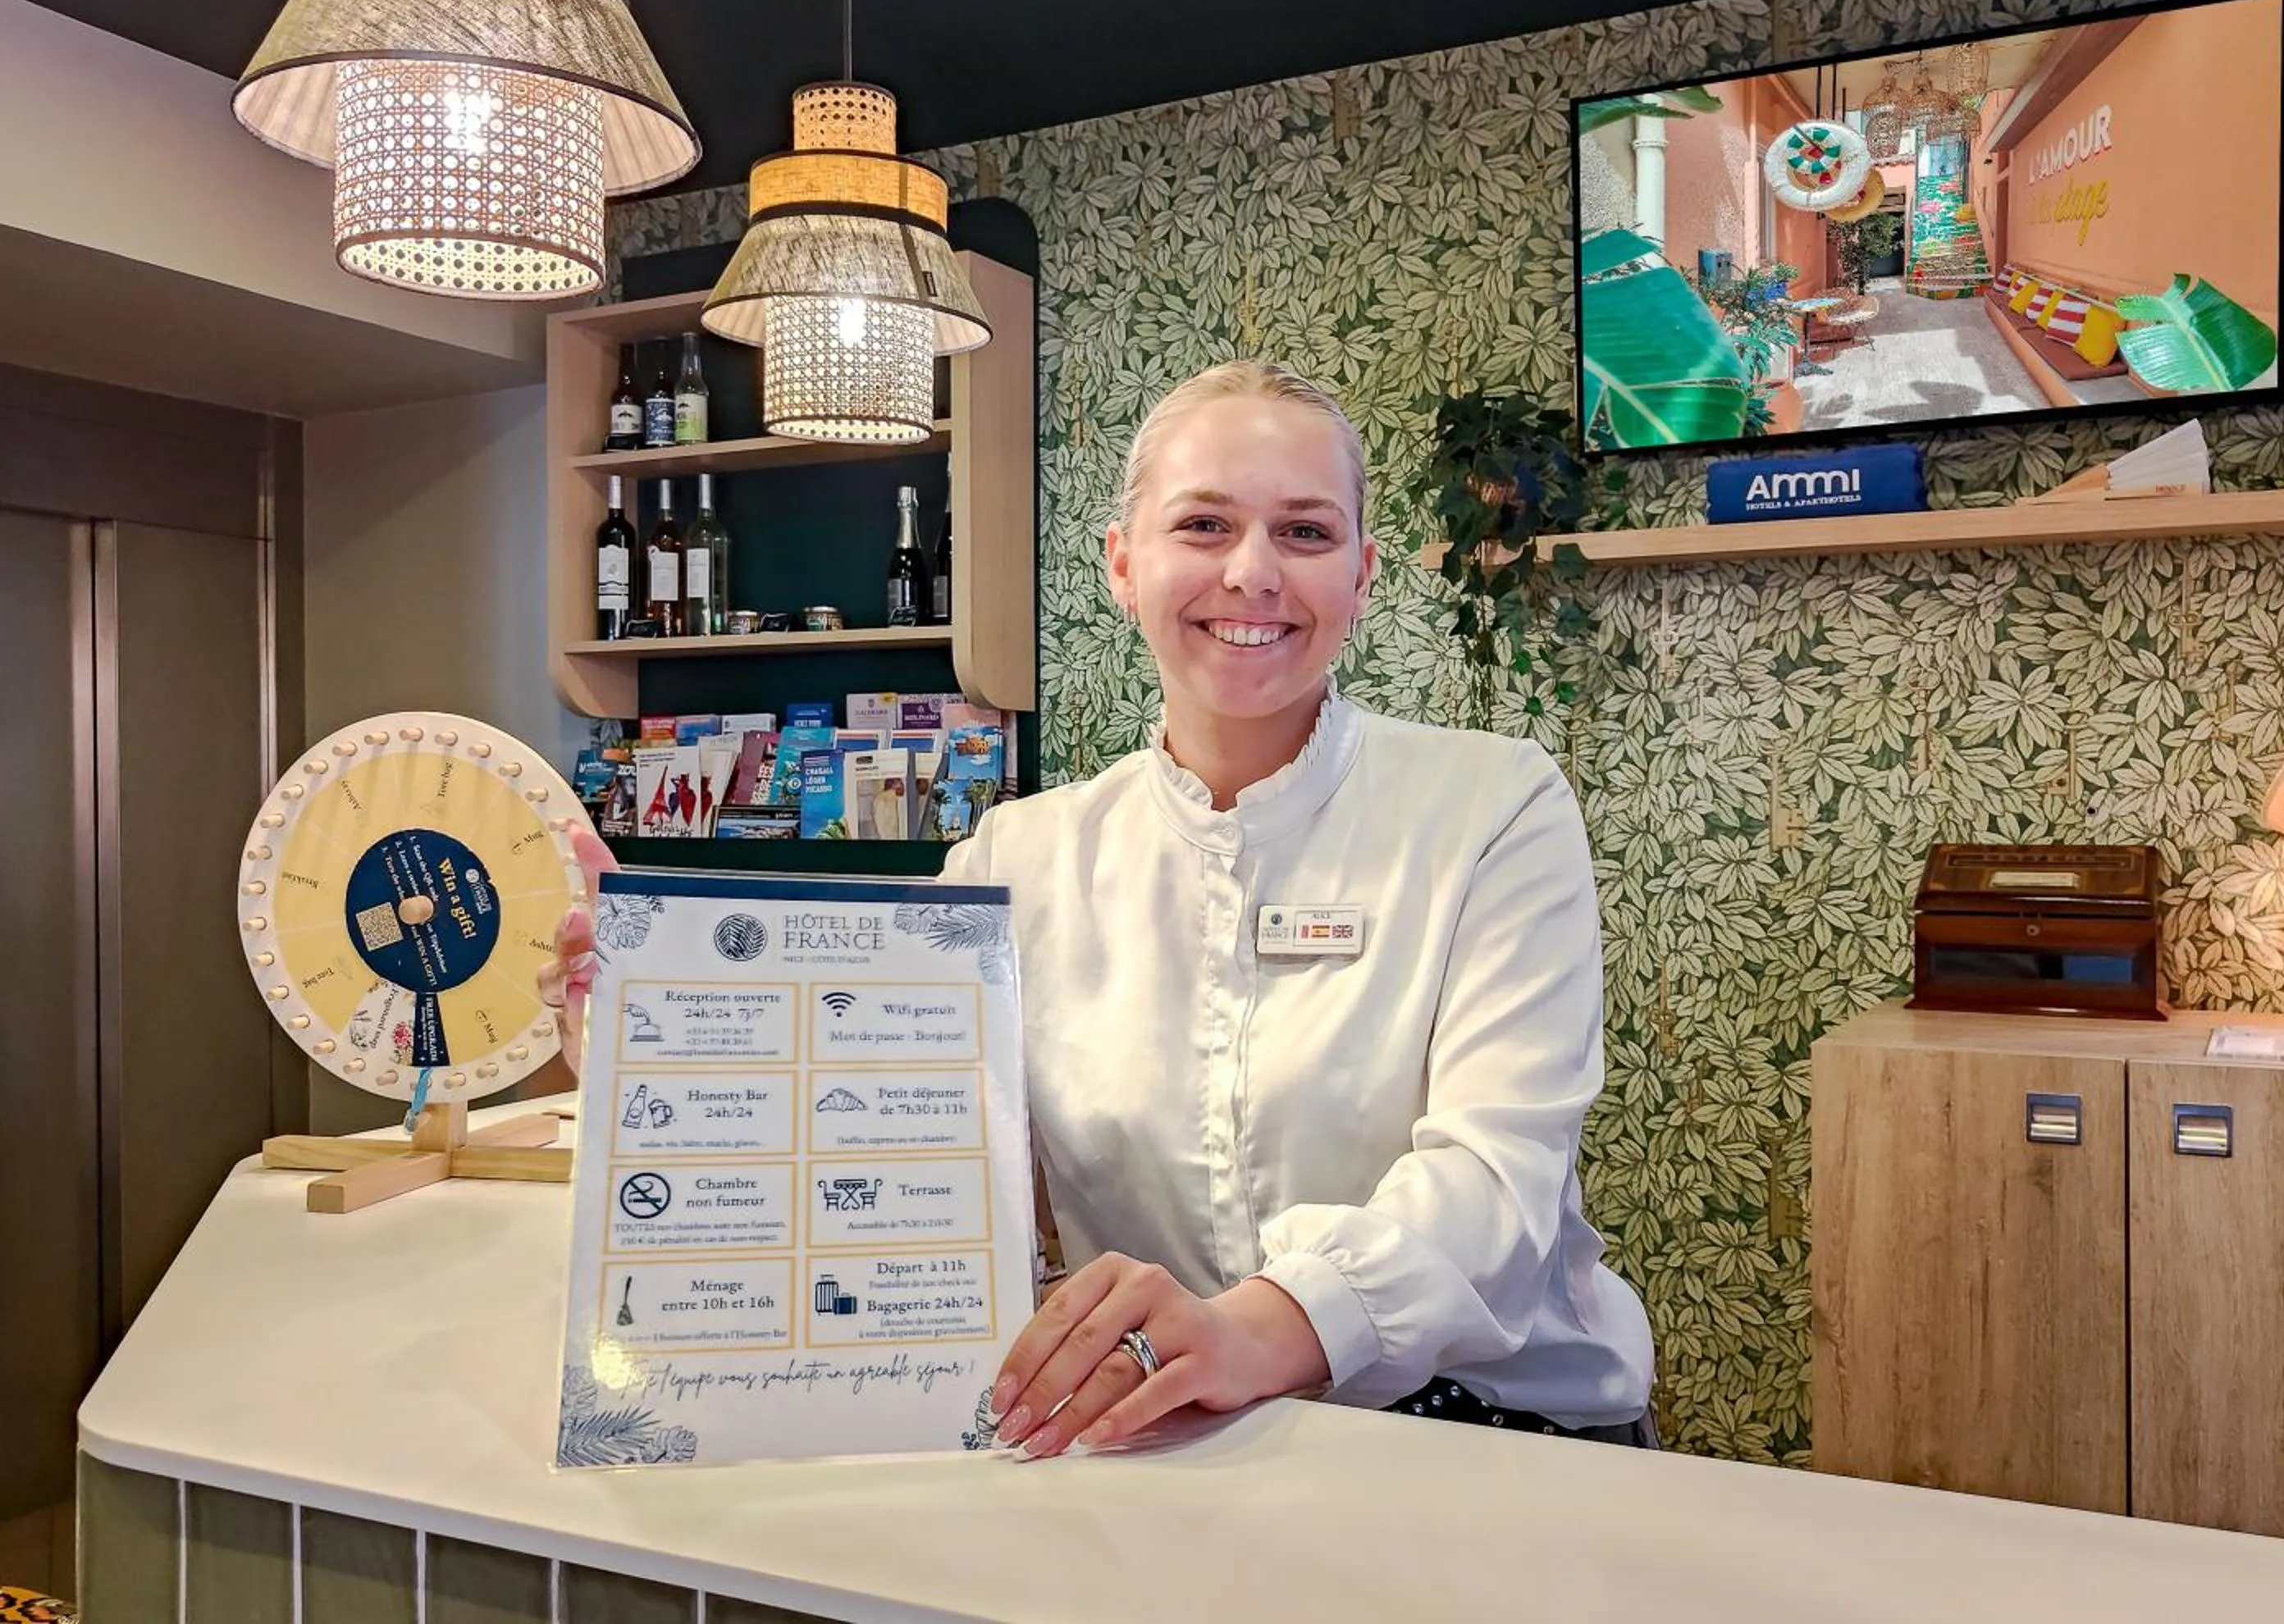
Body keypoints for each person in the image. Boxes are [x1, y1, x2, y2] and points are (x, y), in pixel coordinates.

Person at [542, 362, 1656, 1457]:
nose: (1255, 573)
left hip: (1501, 1432)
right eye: (1205, 526)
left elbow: (1492, 1184)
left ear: (1363, 575)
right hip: (1171, 1437)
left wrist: (1247, 1330)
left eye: (1307, 534)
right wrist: (652, 1046)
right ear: (1123, 564)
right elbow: (867, 1140)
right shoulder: (1012, 862)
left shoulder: (1495, 808)